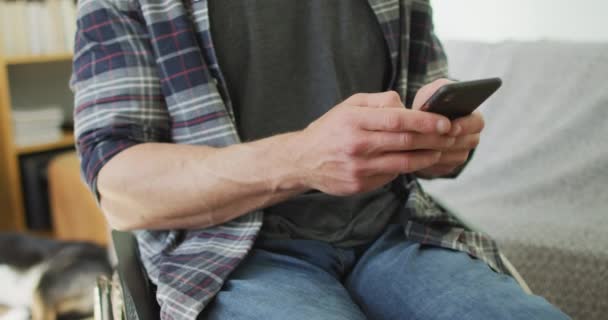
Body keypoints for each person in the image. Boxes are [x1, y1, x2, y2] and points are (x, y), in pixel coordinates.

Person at [72, 0, 569, 319]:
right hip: (231, 255)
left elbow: (428, 113)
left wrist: (442, 142)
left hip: (396, 232)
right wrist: (301, 159)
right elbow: (121, 192)